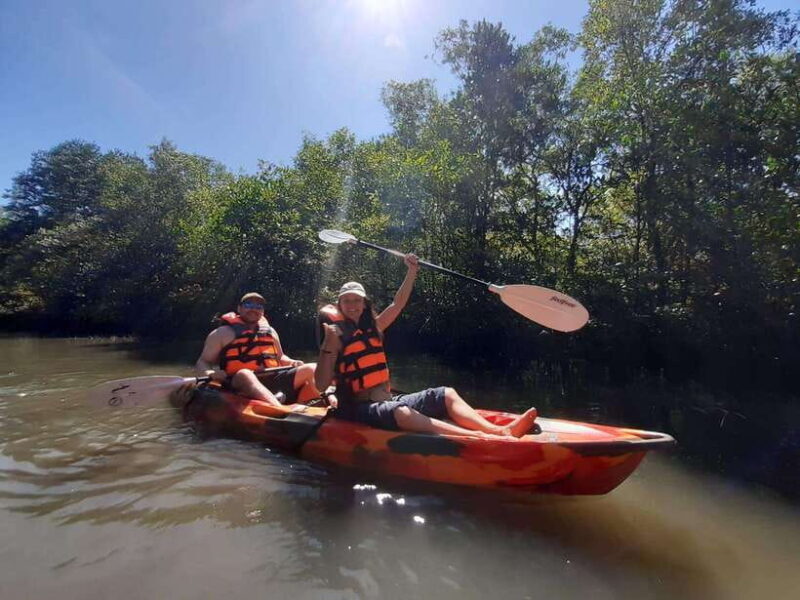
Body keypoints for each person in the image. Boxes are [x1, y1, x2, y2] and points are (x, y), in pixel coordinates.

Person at [314, 255, 538, 438]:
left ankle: (499, 430)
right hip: (355, 409)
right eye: (347, 301)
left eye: (357, 300)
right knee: (400, 411)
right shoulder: (335, 336)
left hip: (386, 401)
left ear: (364, 304)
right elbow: (321, 384)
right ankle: (479, 437)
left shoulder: (375, 328)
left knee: (444, 394)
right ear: (340, 305)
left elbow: (397, 303)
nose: (352, 305)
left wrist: (412, 270)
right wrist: (328, 348)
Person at [196, 292, 319, 406]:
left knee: (312, 368)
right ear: (239, 308)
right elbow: (203, 362)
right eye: (249, 304)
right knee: (245, 373)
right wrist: (211, 373)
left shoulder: (270, 331)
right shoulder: (221, 333)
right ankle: (278, 408)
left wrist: (292, 362)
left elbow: (280, 357)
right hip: (238, 382)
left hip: (272, 379)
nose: (254, 309)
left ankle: (317, 405)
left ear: (263, 312)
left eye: (259, 306)